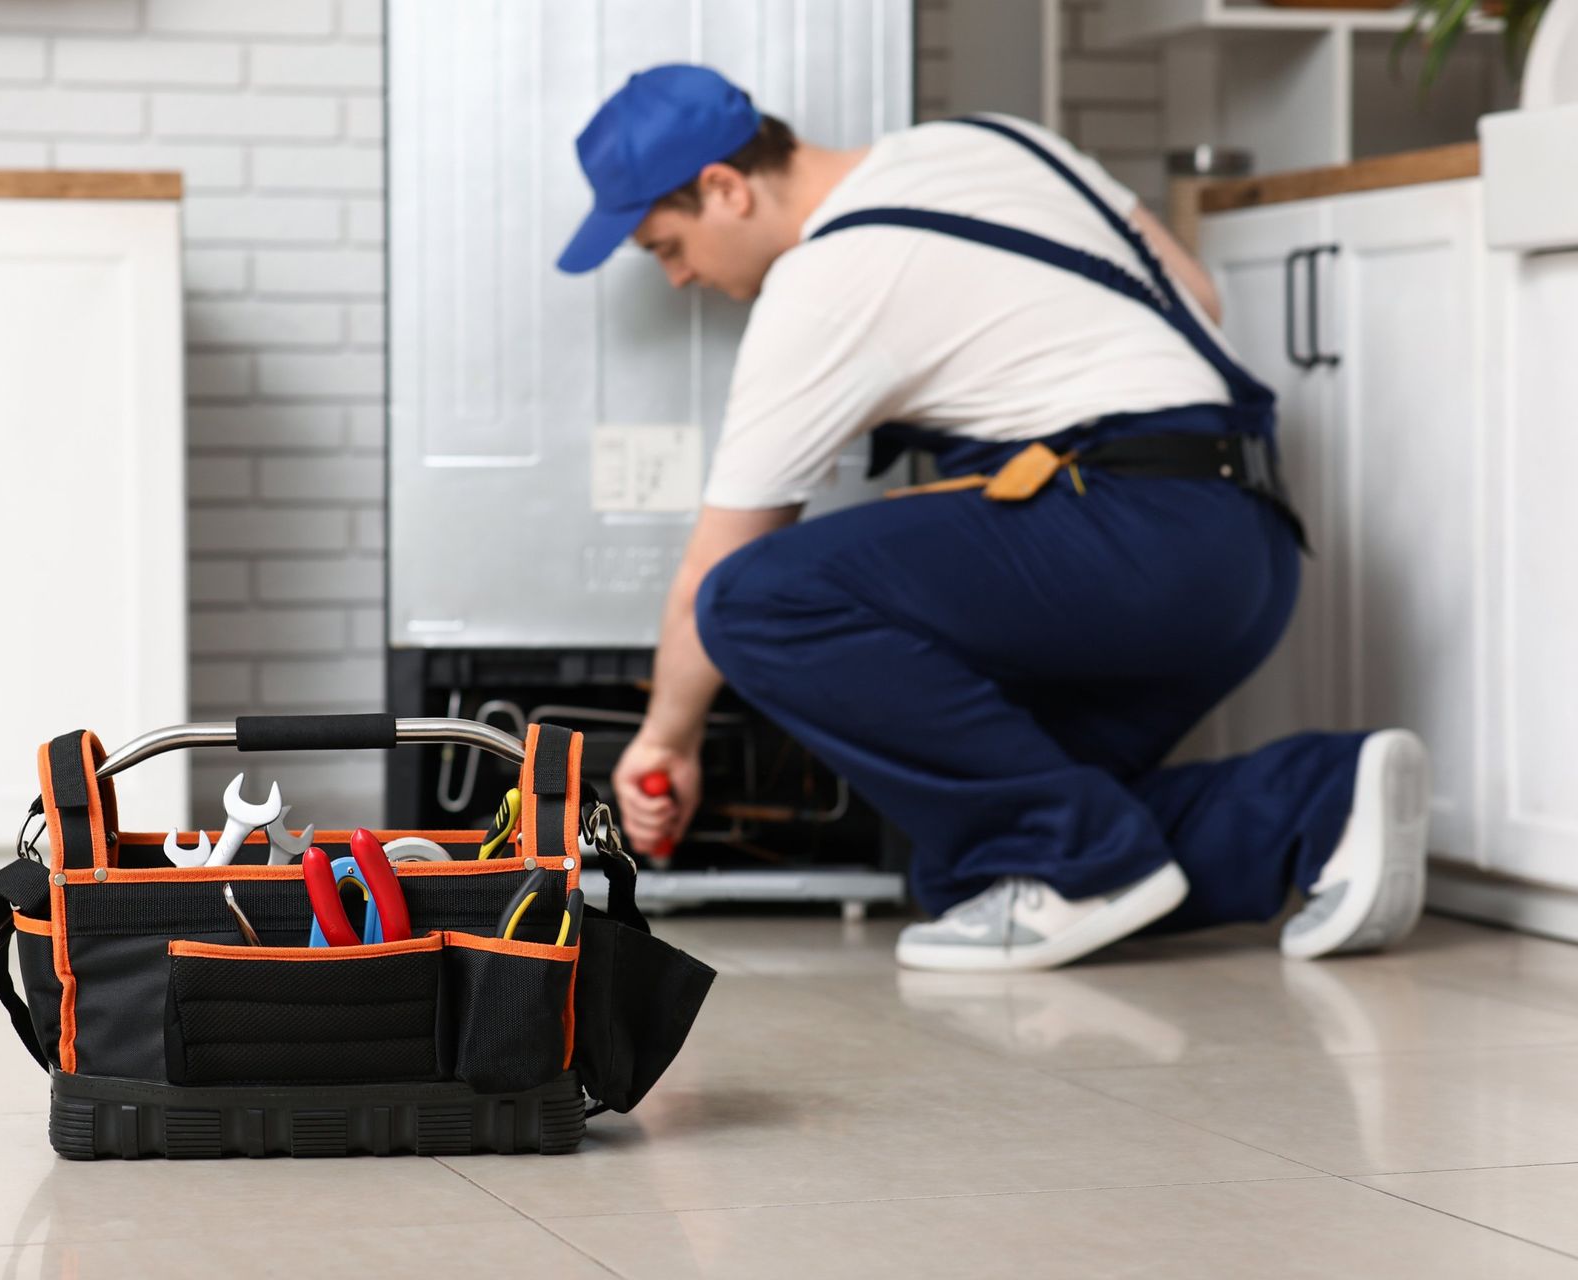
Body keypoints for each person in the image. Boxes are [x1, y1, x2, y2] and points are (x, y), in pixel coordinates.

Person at [557, 64, 1432, 972]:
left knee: (754, 600)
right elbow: (1197, 295)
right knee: (975, 874)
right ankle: (1321, 802)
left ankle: (1077, 862)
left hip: (1134, 538)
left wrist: (667, 740)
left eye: (665, 245)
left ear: (724, 189)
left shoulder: (824, 284)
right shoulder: (990, 138)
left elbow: (716, 569)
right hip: (1245, 543)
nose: (675, 277)